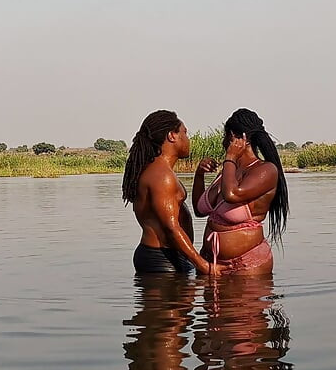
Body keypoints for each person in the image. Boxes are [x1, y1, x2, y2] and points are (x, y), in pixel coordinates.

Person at [192, 108, 289, 275]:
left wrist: (230, 157)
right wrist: (199, 175)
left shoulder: (266, 170)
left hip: (245, 266)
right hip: (210, 263)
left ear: (233, 137)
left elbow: (232, 195)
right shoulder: (229, 172)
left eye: (225, 137)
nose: (223, 143)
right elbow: (199, 211)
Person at [123, 110, 218, 275]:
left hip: (163, 256)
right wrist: (203, 265)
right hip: (162, 259)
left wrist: (199, 174)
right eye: (185, 133)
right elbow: (171, 228)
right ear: (172, 136)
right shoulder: (162, 176)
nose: (188, 139)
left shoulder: (158, 170)